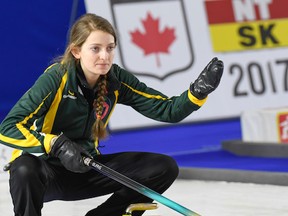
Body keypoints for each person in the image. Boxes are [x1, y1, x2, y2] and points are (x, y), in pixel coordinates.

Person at [0, 13, 223, 216]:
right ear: (77, 51)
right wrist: (55, 144)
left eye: (110, 48)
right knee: (23, 168)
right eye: (95, 48)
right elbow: (7, 128)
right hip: (47, 173)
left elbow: (167, 110)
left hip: (86, 167)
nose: (104, 56)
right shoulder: (56, 79)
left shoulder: (116, 79)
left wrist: (196, 94)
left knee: (163, 168)